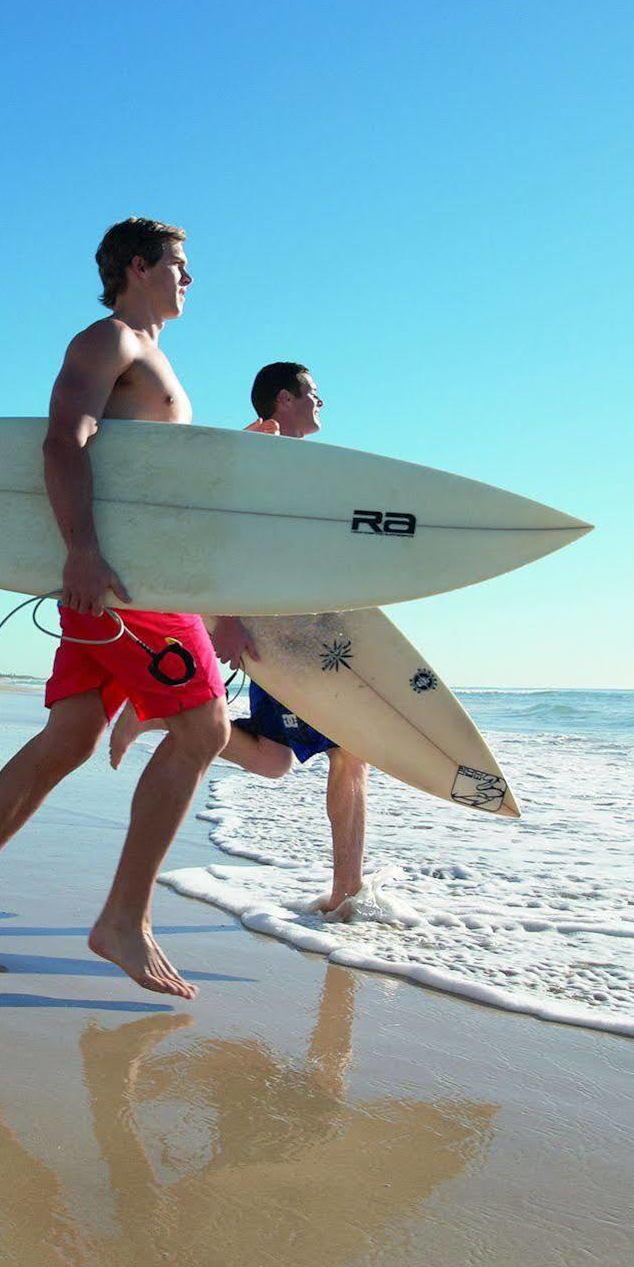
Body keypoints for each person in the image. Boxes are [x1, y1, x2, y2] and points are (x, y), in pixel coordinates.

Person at [0, 218, 230, 999]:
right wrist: (81, 550)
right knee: (204, 728)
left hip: (110, 579)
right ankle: (124, 917)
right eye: (179, 266)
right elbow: (63, 441)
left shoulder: (151, 355)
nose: (190, 280)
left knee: (69, 739)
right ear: (136, 265)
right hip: (120, 583)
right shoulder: (110, 340)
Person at [111, 363, 370, 914]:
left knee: (281, 759)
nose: (322, 402)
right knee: (349, 750)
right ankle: (347, 892)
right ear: (285, 398)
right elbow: (210, 534)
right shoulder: (257, 452)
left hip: (306, 627)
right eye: (314, 393)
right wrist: (221, 616)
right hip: (276, 630)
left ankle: (163, 715)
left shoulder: (299, 464)